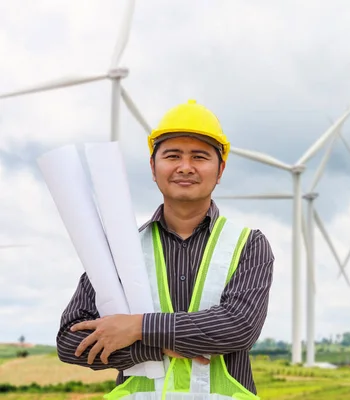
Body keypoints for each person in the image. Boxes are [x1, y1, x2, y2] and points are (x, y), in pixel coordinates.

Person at [56, 99, 275, 399]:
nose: (185, 167)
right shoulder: (118, 251)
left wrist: (138, 327)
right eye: (173, 155)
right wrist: (154, 346)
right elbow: (70, 340)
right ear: (153, 166)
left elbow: (238, 326)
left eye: (199, 157)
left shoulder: (249, 245)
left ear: (220, 169)